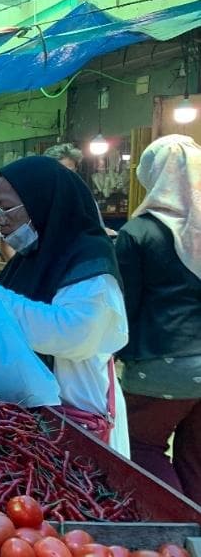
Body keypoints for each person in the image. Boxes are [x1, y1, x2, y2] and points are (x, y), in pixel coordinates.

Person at [0, 156, 130, 455]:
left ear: (43, 202)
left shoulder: (89, 260)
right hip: (33, 418)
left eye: (7, 207)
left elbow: (74, 333)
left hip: (75, 414)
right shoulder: (32, 256)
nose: (0, 218)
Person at [114, 134, 201, 502]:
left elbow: (123, 308)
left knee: (143, 448)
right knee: (196, 457)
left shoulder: (139, 232)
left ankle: (172, 532)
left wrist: (114, 352)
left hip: (162, 364)